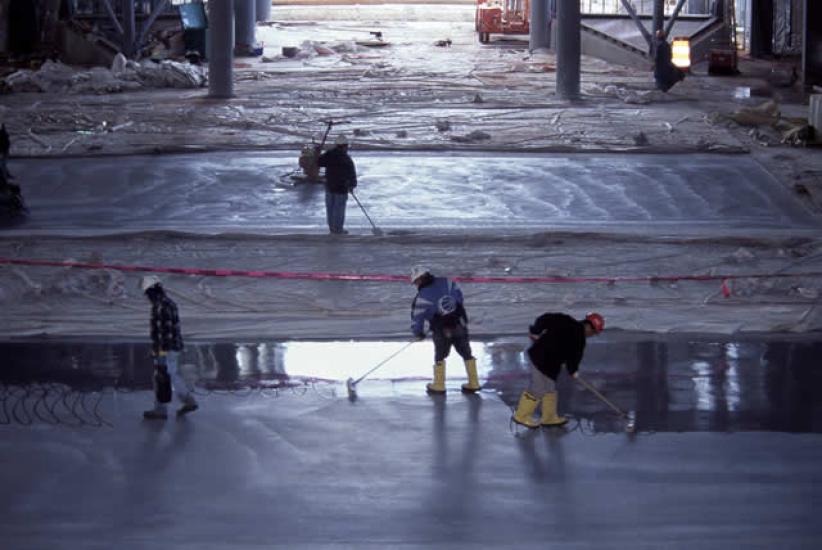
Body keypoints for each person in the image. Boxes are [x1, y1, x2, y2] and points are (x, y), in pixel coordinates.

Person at [512, 312, 604, 428]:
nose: (592, 335)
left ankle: (549, 417)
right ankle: (521, 416)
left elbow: (543, 318)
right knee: (538, 388)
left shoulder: (566, 321)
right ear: (589, 326)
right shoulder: (575, 334)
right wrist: (573, 371)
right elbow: (574, 358)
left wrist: (535, 330)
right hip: (539, 359)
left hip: (550, 365)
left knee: (550, 389)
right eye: (594, 332)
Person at [410, 265, 481, 395]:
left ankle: (439, 385)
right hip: (459, 323)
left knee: (440, 355)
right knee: (466, 352)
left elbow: (417, 316)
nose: (416, 285)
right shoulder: (448, 282)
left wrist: (418, 333)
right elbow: (459, 297)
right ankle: (474, 382)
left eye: (415, 282)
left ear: (420, 279)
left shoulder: (422, 296)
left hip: (441, 329)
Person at [140, 275, 198, 419]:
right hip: (174, 346)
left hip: (165, 349)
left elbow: (162, 333)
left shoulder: (159, 306)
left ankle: (161, 409)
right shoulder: (170, 303)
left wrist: (158, 351)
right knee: (171, 375)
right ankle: (188, 401)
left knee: (161, 378)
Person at [317, 134, 357, 234]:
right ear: (344, 146)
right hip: (341, 187)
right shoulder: (346, 158)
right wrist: (352, 185)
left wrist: (318, 153)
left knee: (330, 208)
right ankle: (338, 229)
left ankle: (332, 228)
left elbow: (319, 162)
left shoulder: (329, 154)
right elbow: (351, 173)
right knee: (339, 209)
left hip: (329, 185)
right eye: (347, 146)